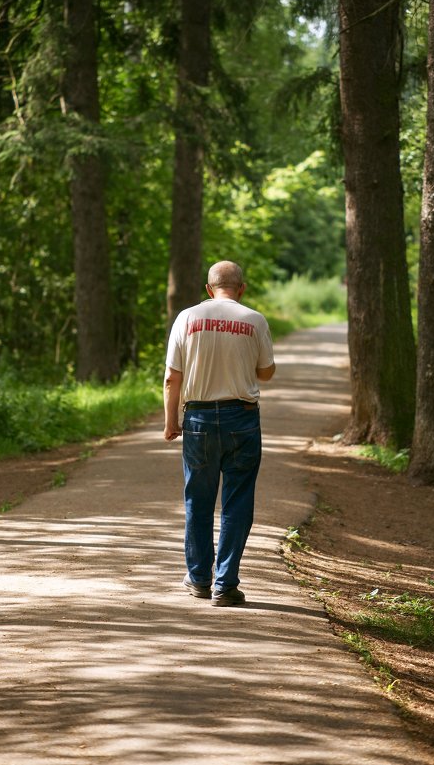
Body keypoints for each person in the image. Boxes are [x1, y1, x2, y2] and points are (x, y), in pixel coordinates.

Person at [163, 260, 276, 607]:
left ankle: (198, 578)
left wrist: (170, 423)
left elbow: (172, 378)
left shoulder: (186, 318)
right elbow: (266, 372)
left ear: (209, 289)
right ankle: (225, 585)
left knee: (197, 499)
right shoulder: (254, 319)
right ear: (241, 288)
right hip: (241, 418)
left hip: (196, 419)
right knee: (237, 501)